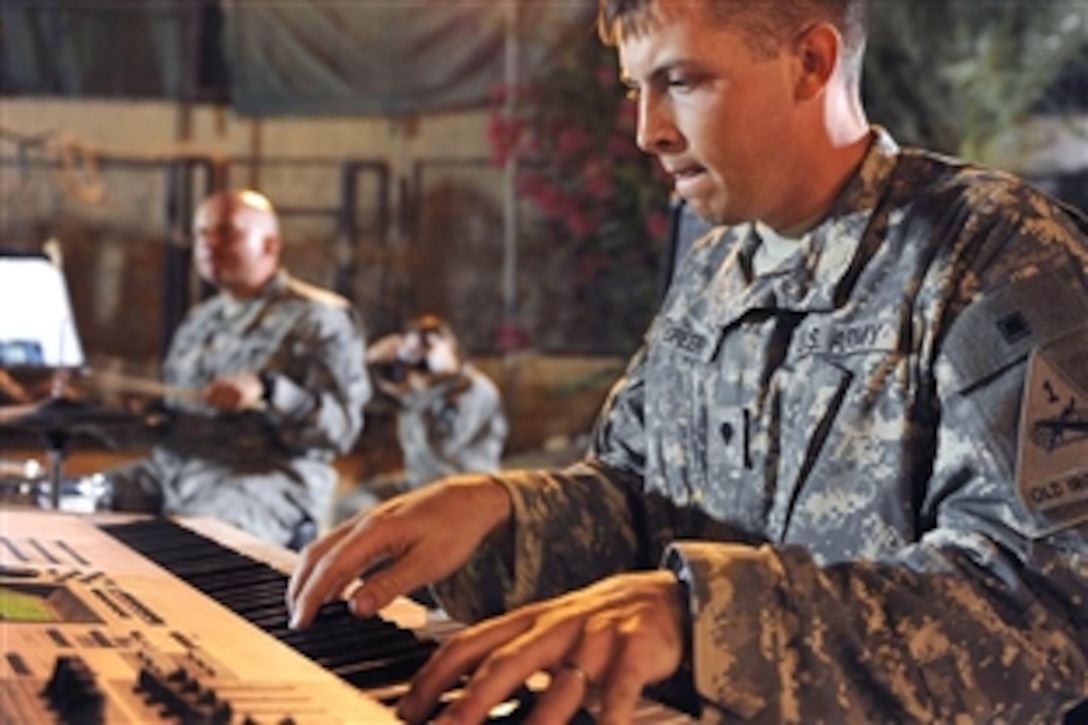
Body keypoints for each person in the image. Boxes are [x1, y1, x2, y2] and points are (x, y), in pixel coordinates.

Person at [287, 1, 1088, 722]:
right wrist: (499, 511)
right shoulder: (715, 266)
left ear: (811, 62)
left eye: (681, 81)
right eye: (637, 89)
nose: (647, 130)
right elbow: (639, 503)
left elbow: (1051, 605)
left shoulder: (994, 254)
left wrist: (702, 618)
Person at [109, 189, 371, 548]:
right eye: (202, 234)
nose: (209, 244)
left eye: (226, 233)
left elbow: (341, 431)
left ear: (269, 244)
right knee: (62, 504)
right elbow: (175, 419)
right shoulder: (200, 320)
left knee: (200, 540)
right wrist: (138, 412)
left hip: (267, 479)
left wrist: (269, 391)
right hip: (175, 470)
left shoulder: (318, 319)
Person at [333, 313, 507, 522]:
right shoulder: (418, 386)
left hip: (464, 492)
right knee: (352, 508)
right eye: (416, 348)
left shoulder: (473, 389)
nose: (422, 356)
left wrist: (413, 397)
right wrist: (370, 363)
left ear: (449, 345)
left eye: (429, 346)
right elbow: (359, 401)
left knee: (400, 525)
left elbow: (443, 444)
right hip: (420, 485)